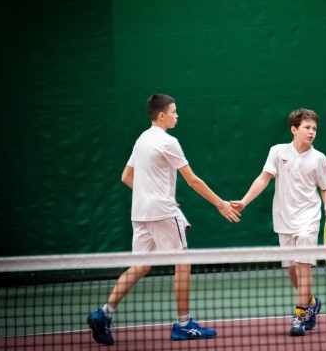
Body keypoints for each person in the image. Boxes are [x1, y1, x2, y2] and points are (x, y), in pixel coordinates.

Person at [87, 94, 241, 345]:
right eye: (174, 111)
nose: (177, 116)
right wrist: (220, 204)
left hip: (140, 213)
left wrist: (150, 194)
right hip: (163, 212)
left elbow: (126, 177)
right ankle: (184, 325)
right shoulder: (169, 142)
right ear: (162, 115)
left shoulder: (141, 139)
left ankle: (104, 313)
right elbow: (193, 180)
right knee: (183, 262)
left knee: (141, 266)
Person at [230, 108, 326, 337]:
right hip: (284, 219)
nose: (312, 132)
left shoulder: (319, 159)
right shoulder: (277, 152)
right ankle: (311, 302)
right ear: (294, 130)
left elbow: (325, 187)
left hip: (308, 217)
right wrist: (244, 202)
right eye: (307, 127)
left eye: (314, 128)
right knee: (292, 270)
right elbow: (263, 178)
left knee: (303, 267)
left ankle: (299, 315)